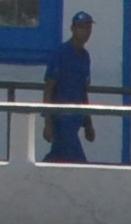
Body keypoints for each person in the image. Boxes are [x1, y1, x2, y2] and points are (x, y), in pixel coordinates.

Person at [41, 10, 96, 163]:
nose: (85, 32)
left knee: (57, 157)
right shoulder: (61, 53)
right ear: (73, 29)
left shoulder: (85, 56)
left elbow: (83, 91)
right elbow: (49, 88)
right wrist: (48, 122)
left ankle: (30, 180)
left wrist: (88, 123)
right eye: (81, 27)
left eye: (88, 28)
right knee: (78, 161)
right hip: (61, 118)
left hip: (75, 118)